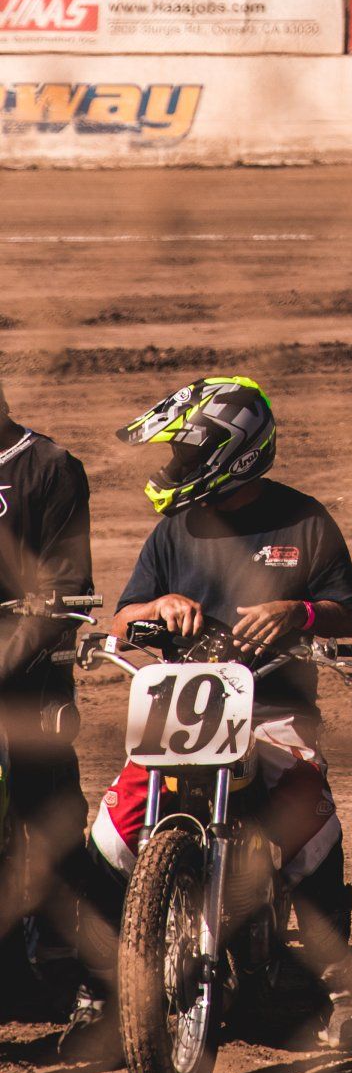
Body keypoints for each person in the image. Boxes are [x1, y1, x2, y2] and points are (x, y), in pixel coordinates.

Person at [82, 376, 352, 1054]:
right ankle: (97, 991)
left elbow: (350, 612)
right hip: (181, 703)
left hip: (273, 704)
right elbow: (122, 621)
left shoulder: (306, 520)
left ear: (232, 454)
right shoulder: (174, 529)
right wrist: (156, 608)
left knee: (311, 823)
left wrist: (300, 612)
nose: (174, 466)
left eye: (186, 454)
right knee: (110, 835)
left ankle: (342, 991)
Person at [0, 379, 112, 1014]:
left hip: (31, 679)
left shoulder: (49, 467)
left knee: (50, 823)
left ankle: (92, 973)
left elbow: (66, 590)